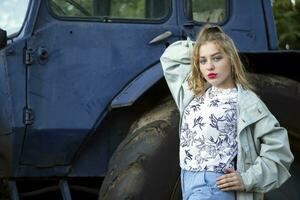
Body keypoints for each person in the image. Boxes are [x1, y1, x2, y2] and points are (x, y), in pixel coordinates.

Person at [160, 24, 294, 200]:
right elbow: (170, 57)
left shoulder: (247, 102)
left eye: (216, 58)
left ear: (231, 58)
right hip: (188, 182)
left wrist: (247, 178)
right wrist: (205, 43)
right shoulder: (194, 93)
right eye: (203, 60)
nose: (209, 67)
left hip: (216, 186)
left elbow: (280, 150)